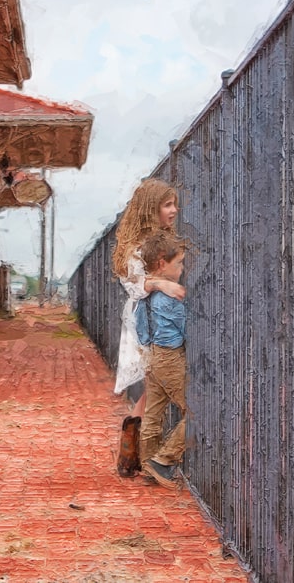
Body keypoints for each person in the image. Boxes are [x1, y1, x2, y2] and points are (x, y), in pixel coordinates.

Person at [112, 179, 184, 478]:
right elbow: (132, 285)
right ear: (150, 209)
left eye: (174, 204)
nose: (174, 210)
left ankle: (134, 457)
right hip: (147, 323)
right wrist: (160, 283)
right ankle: (139, 457)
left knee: (153, 389)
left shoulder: (162, 239)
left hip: (160, 319)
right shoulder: (135, 247)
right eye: (167, 205)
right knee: (154, 384)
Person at [133, 231, 188, 490]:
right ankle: (162, 461)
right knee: (199, 413)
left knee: (154, 413)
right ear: (161, 264)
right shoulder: (171, 297)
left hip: (153, 355)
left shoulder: (146, 296)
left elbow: (140, 328)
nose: (182, 268)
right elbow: (188, 330)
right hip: (170, 357)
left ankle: (147, 466)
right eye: (179, 263)